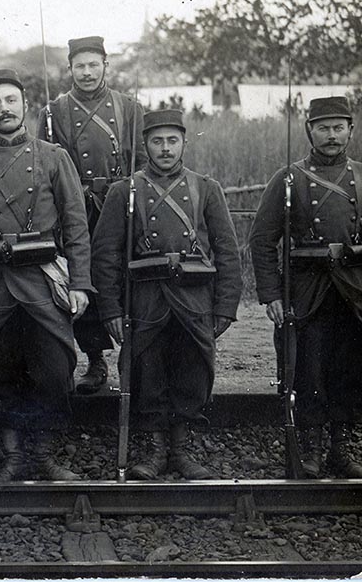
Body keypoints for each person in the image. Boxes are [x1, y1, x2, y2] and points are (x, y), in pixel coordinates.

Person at [0, 69, 92, 481]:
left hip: (43, 281)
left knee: (53, 368)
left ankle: (45, 457)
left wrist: (81, 282)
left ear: (25, 105)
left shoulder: (53, 157)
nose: (4, 109)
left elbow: (76, 225)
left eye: (10, 100)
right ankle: (13, 459)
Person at [92, 109, 242, 479]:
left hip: (194, 299)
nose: (164, 149)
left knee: (193, 370)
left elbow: (227, 250)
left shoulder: (206, 188)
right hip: (145, 300)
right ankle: (156, 450)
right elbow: (105, 255)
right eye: (157, 141)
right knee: (148, 371)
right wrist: (110, 308)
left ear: (184, 143)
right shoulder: (123, 191)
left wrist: (225, 306)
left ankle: (181, 450)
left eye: (172, 141)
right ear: (145, 145)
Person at [249, 96, 362, 478]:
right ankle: (310, 449)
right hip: (305, 293)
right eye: (323, 128)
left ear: (351, 129)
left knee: (348, 368)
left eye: (338, 127)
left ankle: (338, 448)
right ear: (309, 131)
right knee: (306, 370)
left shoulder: (360, 177)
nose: (332, 135)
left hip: (352, 292)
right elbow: (262, 239)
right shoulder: (289, 178)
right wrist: (271, 295)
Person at [38, 36, 145, 395]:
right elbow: (42, 166)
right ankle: (94, 358)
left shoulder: (129, 108)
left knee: (122, 275)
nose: (86, 72)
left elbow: (143, 162)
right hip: (76, 206)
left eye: (93, 65)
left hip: (117, 203)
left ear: (105, 66)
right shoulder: (53, 112)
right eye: (79, 66)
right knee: (80, 278)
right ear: (69, 69)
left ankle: (133, 355)